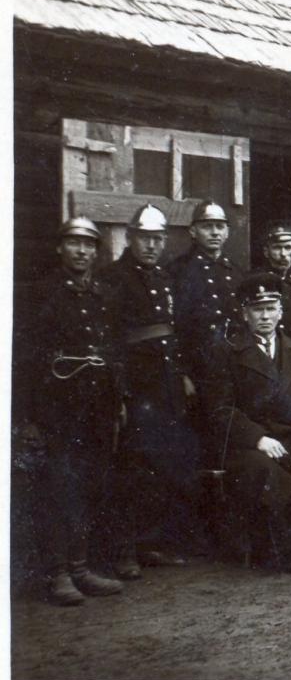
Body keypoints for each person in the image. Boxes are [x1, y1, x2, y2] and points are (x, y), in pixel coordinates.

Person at [96, 204, 203, 580]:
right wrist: (119, 393)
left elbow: (173, 335)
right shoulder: (111, 277)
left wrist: (183, 375)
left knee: (161, 467)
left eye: (158, 239)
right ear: (130, 238)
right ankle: (123, 551)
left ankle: (150, 543)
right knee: (131, 470)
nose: (152, 246)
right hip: (136, 388)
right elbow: (109, 341)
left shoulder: (164, 277)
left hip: (166, 387)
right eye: (145, 238)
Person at [205, 273, 291, 576]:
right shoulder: (227, 352)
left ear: (281, 311)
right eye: (257, 309)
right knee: (264, 470)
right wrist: (258, 438)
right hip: (245, 443)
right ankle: (282, 551)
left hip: (290, 436)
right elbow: (220, 409)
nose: (265, 316)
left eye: (271, 308)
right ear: (244, 313)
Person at [26, 217, 124, 604]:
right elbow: (25, 358)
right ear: (59, 248)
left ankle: (81, 568)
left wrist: (117, 403)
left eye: (88, 246)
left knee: (87, 485)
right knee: (56, 487)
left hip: (97, 405)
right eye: (74, 244)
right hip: (56, 407)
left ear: (96, 253)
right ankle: (57, 573)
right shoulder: (41, 292)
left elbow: (116, 351)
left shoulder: (105, 294)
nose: (81, 252)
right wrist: (29, 417)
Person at [169, 200, 244, 379]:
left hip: (234, 364)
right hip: (196, 367)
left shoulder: (237, 273)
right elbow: (172, 326)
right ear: (193, 231)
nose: (215, 232)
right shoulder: (177, 271)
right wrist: (181, 373)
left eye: (220, 226)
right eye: (207, 226)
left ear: (227, 232)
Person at [258, 220, 291, 342]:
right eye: (277, 248)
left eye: (288, 248)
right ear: (266, 252)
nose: (283, 254)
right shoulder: (255, 282)